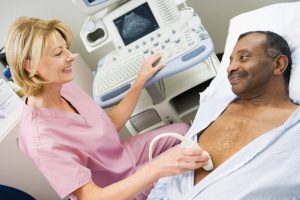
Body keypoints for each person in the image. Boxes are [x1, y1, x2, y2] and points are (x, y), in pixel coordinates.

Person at [5, 17, 212, 200]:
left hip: (122, 155)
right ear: (29, 66)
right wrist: (157, 168)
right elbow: (92, 197)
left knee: (184, 131)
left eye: (66, 48)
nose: (71, 56)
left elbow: (110, 124)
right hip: (113, 190)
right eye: (58, 53)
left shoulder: (61, 85)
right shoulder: (41, 140)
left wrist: (139, 81)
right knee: (189, 157)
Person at [148, 31, 300, 199]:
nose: (230, 68)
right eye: (230, 60)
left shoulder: (294, 129)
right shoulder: (215, 104)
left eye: (243, 58)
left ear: (278, 64)